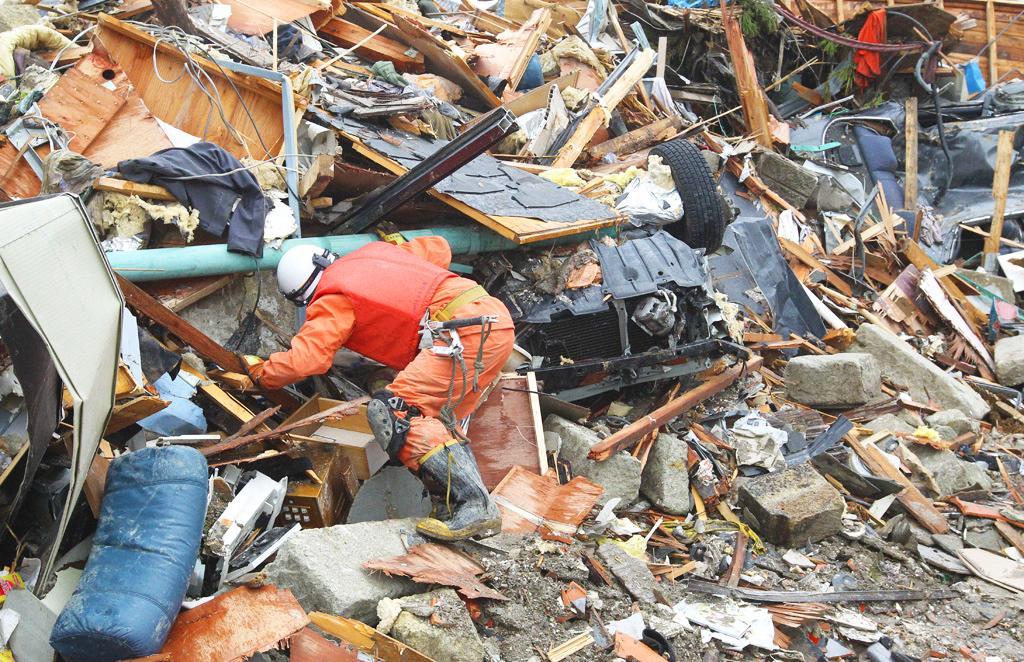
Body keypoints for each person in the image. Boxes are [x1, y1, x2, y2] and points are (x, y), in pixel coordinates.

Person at [250, 236, 515, 540]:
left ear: (301, 294)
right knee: (435, 421)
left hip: (461, 334)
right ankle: (454, 508)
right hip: (490, 321)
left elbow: (306, 361)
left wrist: (262, 373)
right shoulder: (376, 253)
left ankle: (476, 506)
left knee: (394, 412)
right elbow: (439, 246)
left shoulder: (332, 297)